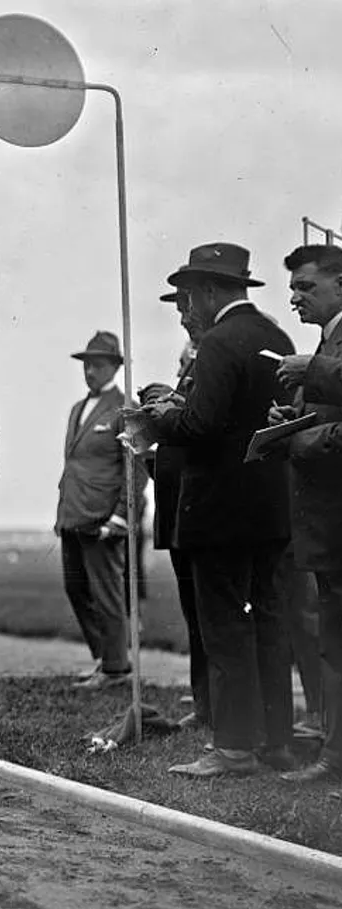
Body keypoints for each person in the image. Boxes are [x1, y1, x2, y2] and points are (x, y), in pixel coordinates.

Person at [138, 242, 295, 777]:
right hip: (270, 507)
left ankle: (232, 747)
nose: (186, 308)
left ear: (207, 292)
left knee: (225, 628)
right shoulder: (276, 336)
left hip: (219, 509)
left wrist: (161, 415)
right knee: (269, 623)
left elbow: (200, 426)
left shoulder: (218, 343)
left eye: (187, 297)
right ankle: (276, 742)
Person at [269, 244, 342, 784]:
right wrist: (289, 421)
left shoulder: (325, 350)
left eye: (306, 287)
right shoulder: (326, 340)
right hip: (325, 523)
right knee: (333, 642)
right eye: (292, 288)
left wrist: (300, 440)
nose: (294, 298)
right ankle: (334, 757)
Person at [56, 330, 147, 691]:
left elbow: (136, 469)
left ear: (115, 366)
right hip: (73, 515)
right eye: (86, 365)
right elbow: (74, 466)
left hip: (103, 519)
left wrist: (122, 516)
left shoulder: (126, 410)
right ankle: (106, 658)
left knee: (107, 593)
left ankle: (116, 668)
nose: (90, 371)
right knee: (76, 588)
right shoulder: (77, 410)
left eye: (97, 364)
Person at [140, 288, 211, 731]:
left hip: (203, 509)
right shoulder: (192, 369)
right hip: (179, 509)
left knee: (211, 614)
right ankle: (206, 703)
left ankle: (217, 706)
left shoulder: (216, 366)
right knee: (196, 614)